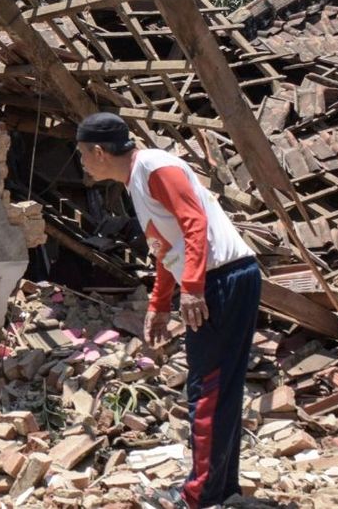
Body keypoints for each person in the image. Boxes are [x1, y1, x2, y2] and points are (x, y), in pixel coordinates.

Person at [75, 112, 262, 509]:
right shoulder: (137, 181)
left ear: (97, 151)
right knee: (219, 387)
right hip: (221, 277)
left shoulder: (155, 168)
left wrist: (191, 289)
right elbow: (165, 248)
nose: (82, 163)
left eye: (82, 154)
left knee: (208, 388)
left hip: (221, 280)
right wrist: (159, 304)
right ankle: (220, 490)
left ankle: (200, 495)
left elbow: (195, 225)